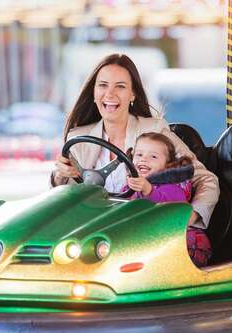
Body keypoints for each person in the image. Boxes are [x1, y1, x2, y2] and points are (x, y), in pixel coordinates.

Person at [51, 53, 219, 230]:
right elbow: (64, 201)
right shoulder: (78, 139)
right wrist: (60, 175)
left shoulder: (153, 130)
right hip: (92, 232)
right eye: (103, 85)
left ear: (132, 95)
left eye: (120, 86)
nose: (110, 94)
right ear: (94, 93)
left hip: (141, 232)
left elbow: (206, 179)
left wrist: (191, 216)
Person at [126, 132, 212, 267]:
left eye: (153, 156)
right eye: (139, 155)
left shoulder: (173, 185)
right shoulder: (131, 184)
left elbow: (172, 208)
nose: (144, 159)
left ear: (167, 165)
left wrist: (148, 190)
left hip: (179, 241)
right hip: (148, 237)